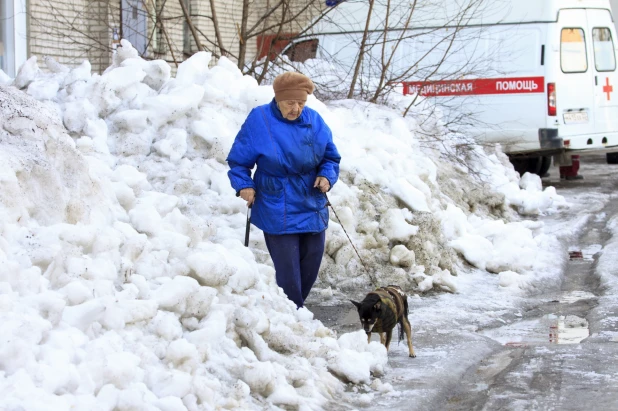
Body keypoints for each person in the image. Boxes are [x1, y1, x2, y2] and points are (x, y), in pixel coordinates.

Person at [226, 72, 341, 308]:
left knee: (311, 262)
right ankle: (295, 314)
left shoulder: (315, 120)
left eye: (301, 103)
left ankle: (294, 309)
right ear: (278, 99)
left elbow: (330, 158)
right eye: (290, 103)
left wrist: (326, 176)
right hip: (276, 201)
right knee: (288, 271)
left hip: (311, 199)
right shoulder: (260, 119)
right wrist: (244, 185)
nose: (296, 109)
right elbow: (238, 162)